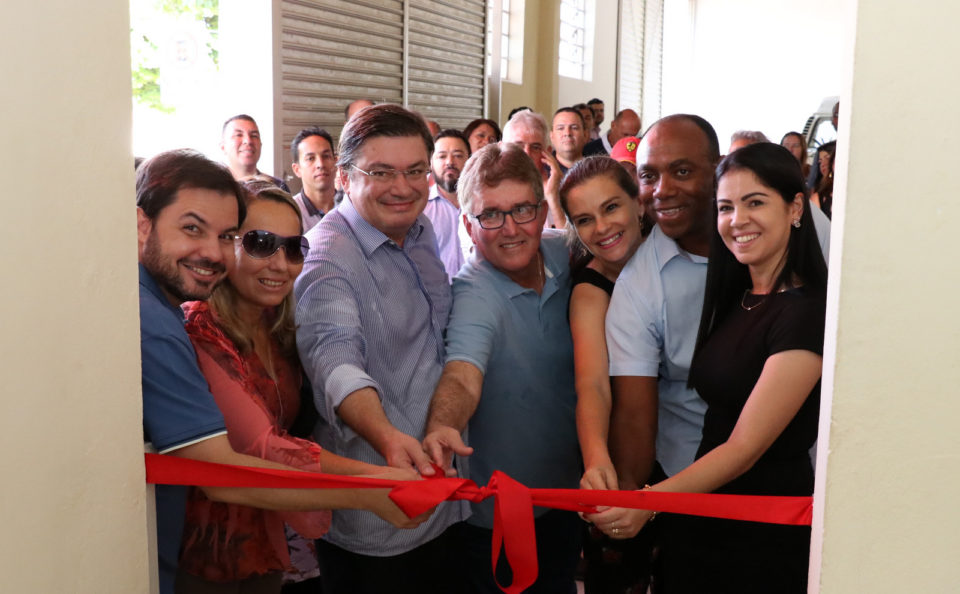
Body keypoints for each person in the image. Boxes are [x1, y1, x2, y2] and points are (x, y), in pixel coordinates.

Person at [137, 149, 426, 594]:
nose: (279, 262)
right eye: (259, 243)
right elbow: (259, 449)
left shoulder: (281, 328)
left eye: (293, 248)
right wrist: (376, 486)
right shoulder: (195, 327)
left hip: (270, 541)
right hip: (208, 552)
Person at [591, 142, 826, 593]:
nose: (737, 220)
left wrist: (647, 502)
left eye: (755, 202)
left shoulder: (805, 313)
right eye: (725, 207)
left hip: (761, 528)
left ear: (796, 207)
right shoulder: (742, 296)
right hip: (705, 514)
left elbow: (745, 446)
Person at [294, 104, 469, 594]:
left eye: (416, 171)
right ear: (345, 179)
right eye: (382, 173)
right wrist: (389, 439)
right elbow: (335, 364)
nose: (404, 187)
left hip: (443, 494)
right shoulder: (327, 257)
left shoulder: (421, 231)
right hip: (380, 514)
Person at [423, 142, 582, 594]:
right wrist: (443, 425)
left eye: (522, 210)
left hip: (565, 497)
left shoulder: (562, 255)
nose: (510, 229)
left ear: (542, 209)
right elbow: (462, 373)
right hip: (497, 519)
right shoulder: (475, 293)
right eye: (490, 215)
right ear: (469, 227)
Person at [558, 157, 651, 593]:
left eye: (611, 207)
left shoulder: (681, 258)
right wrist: (597, 460)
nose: (602, 227)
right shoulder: (589, 292)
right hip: (626, 458)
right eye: (584, 219)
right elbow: (591, 384)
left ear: (638, 203)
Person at [501, 108, 566, 228]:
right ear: (501, 149)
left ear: (547, 153)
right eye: (518, 146)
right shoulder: (484, 190)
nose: (527, 154)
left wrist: (552, 198)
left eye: (535, 147)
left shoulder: (561, 191)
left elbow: (571, 244)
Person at [424, 129, 470, 279]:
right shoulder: (419, 209)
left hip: (479, 295)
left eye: (457, 156)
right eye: (442, 156)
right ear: (430, 163)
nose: (450, 162)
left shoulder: (484, 205)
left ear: (470, 160)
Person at [220, 114, 290, 191]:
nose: (248, 141)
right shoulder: (212, 187)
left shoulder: (278, 186)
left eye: (254, 135)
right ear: (223, 147)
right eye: (238, 135)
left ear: (261, 144)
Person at [290, 127, 337, 232]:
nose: (320, 164)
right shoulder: (290, 213)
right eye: (310, 158)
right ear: (297, 169)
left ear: (336, 161)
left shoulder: (352, 207)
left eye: (326, 156)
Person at [551, 107, 587, 174]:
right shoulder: (540, 172)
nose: (567, 133)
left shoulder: (599, 171)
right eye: (560, 128)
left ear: (585, 135)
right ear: (551, 136)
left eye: (574, 128)